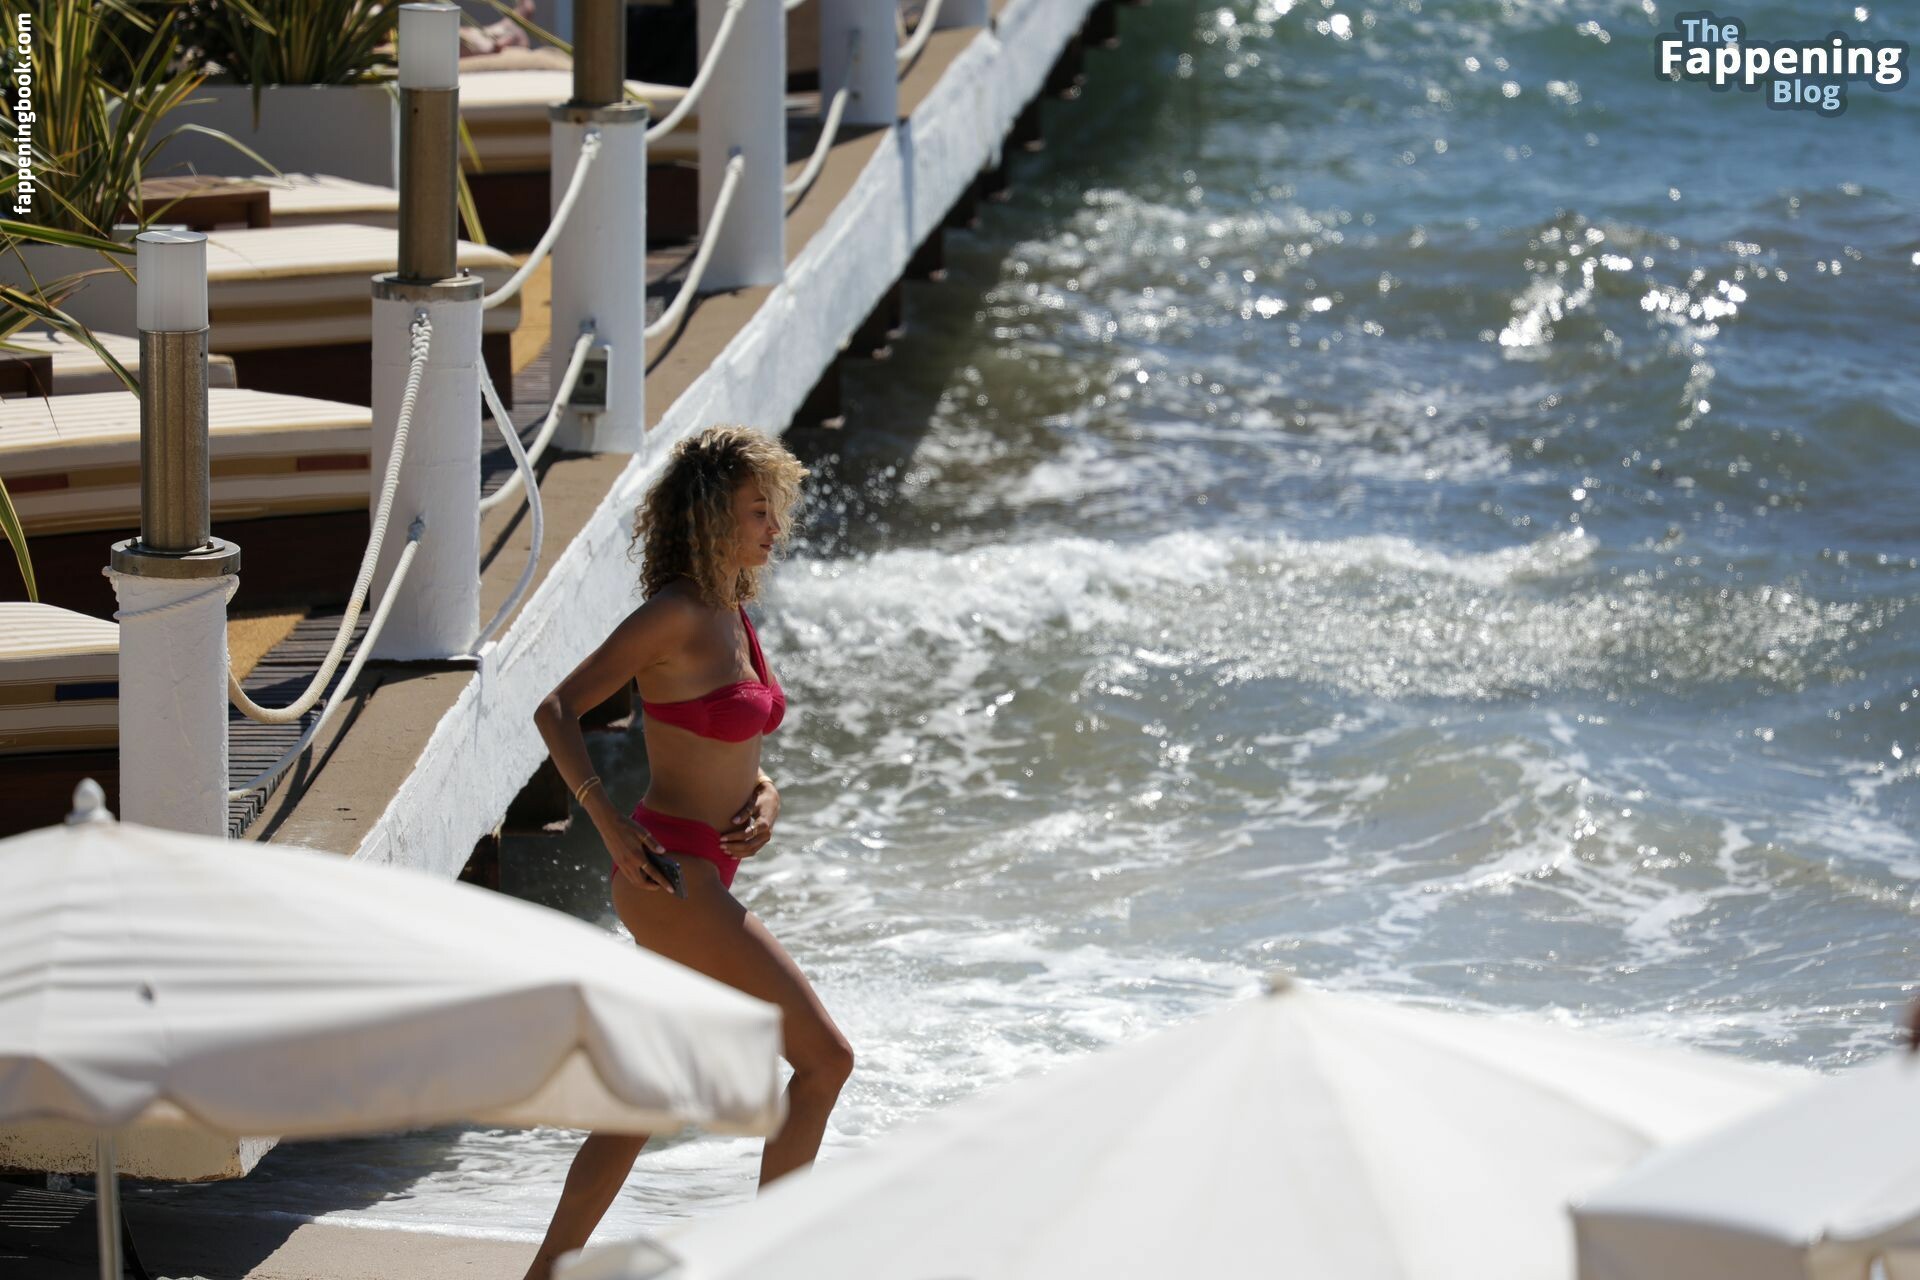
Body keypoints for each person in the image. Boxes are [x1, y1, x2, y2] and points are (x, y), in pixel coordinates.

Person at [521, 425, 852, 1279]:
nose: (773, 528)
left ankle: (546, 1273)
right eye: (755, 511)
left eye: (774, 510)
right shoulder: (673, 613)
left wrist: (768, 792)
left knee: (645, 1099)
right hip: (669, 872)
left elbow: (731, 736)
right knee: (826, 1061)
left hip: (704, 864)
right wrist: (605, 818)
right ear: (710, 517)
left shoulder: (731, 608)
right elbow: (556, 709)